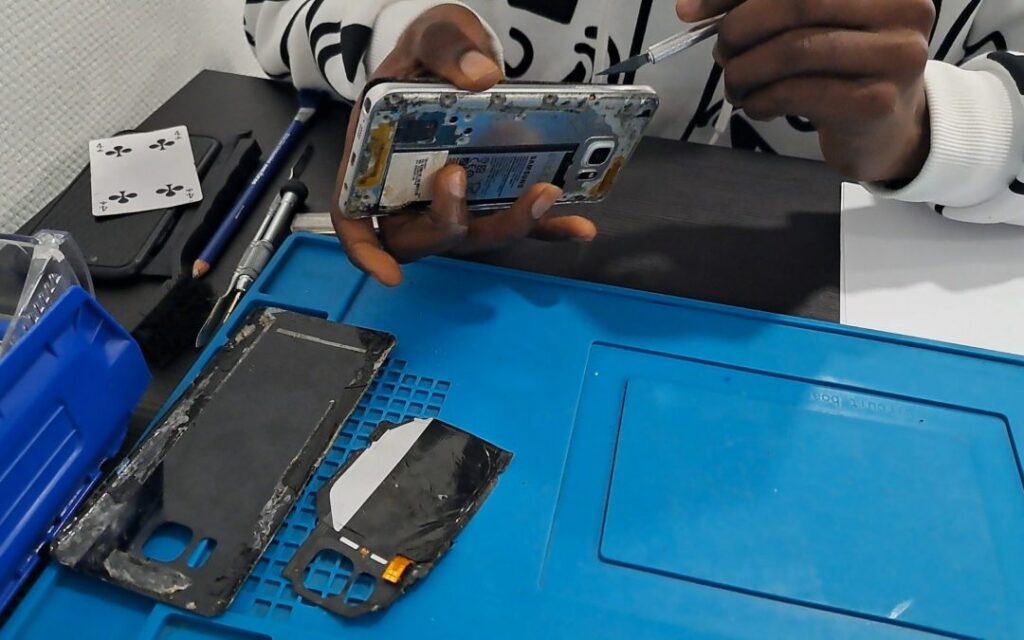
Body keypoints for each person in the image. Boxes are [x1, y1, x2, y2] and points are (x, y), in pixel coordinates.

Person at [245, 0, 1024, 286]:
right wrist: (396, 26)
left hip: (856, 304)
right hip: (486, 289)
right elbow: (269, 10)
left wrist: (937, 129)